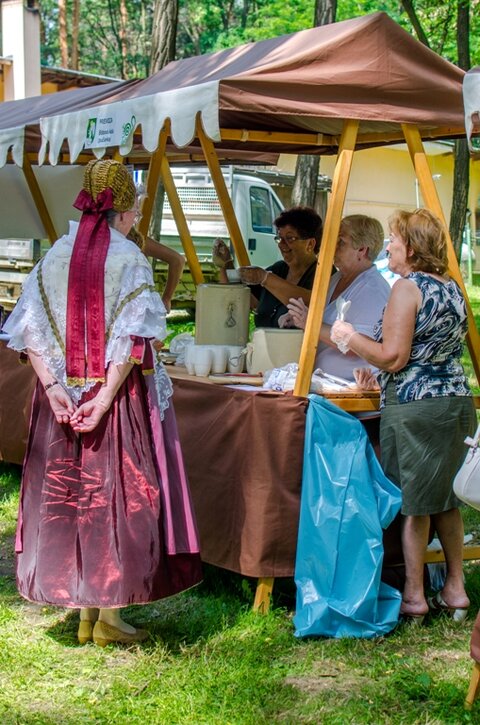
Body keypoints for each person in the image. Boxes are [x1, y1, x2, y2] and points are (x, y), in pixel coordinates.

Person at [3, 159, 202, 646]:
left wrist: (55, 393)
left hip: (60, 402)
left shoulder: (55, 255)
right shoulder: (129, 258)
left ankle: (86, 613)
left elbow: (28, 332)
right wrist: (104, 396)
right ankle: (108, 617)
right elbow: (135, 340)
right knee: (114, 494)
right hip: (112, 399)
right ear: (127, 211)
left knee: (71, 496)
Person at [330, 208, 477, 621]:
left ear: (410, 247)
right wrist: (374, 365)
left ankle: (413, 595)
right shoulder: (451, 287)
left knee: (414, 504)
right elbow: (427, 349)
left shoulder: (406, 288)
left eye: (393, 240)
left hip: (416, 408)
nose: (389, 247)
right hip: (456, 403)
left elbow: (395, 357)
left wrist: (350, 337)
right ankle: (456, 588)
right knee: (447, 498)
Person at [279, 214, 391, 381]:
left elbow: (361, 347)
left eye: (340, 242)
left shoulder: (373, 288)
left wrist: (310, 323)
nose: (333, 247)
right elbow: (323, 319)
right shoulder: (337, 278)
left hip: (350, 389)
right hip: (323, 383)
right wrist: (298, 318)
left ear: (362, 250)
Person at [212, 206, 323, 327]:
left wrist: (265, 278)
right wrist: (225, 263)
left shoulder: (322, 274)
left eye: (290, 238)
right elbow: (241, 298)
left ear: (310, 244)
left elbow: (311, 302)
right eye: (280, 238)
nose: (282, 244)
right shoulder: (278, 269)